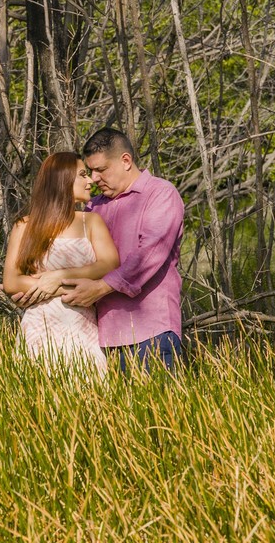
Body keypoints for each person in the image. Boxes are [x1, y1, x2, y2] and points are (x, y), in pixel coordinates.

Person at [60, 128, 185, 372]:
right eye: (91, 171)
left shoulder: (160, 193)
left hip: (152, 333)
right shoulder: (93, 208)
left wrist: (100, 288)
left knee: (158, 410)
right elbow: (68, 251)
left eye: (101, 170)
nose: (94, 178)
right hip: (100, 338)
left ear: (126, 161)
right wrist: (31, 281)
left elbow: (150, 252)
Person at [1, 152, 120, 372]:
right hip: (38, 326)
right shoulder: (25, 225)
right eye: (82, 175)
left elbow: (109, 263)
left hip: (82, 325)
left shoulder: (91, 221)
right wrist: (64, 287)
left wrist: (57, 278)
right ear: (62, 181)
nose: (90, 181)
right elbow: (11, 281)